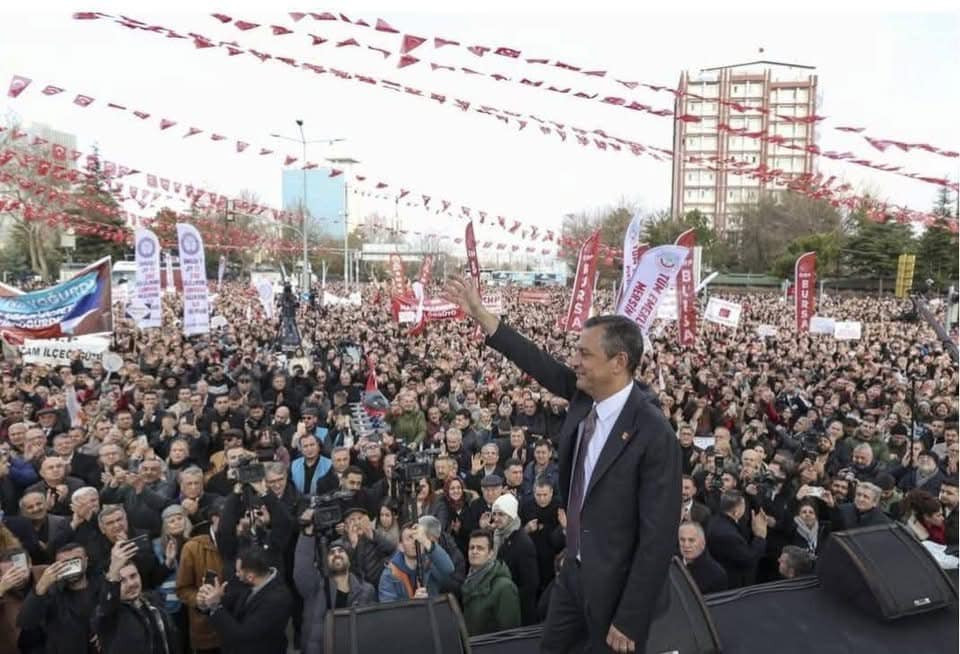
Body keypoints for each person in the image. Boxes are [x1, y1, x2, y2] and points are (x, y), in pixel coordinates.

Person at [445, 278, 681, 653]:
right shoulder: (584, 397)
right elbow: (537, 361)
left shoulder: (653, 434)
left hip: (617, 589)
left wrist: (630, 617)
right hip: (573, 573)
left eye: (585, 355)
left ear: (619, 362)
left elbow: (659, 537)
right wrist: (481, 315)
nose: (575, 361)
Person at [294, 518, 377, 654]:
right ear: (326, 562)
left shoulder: (366, 591)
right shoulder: (315, 587)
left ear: (349, 560)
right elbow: (301, 570)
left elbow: (372, 630)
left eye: (341, 551)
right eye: (331, 553)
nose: (336, 554)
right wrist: (307, 533)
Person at [195, 547, 293, 654]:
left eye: (238, 571)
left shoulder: (278, 600)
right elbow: (227, 602)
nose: (236, 574)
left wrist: (215, 605)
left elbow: (242, 636)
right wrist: (204, 602)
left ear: (251, 576)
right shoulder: (248, 581)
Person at [94, 540, 180, 654]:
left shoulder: (153, 600)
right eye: (122, 580)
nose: (131, 583)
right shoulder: (108, 614)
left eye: (133, 576)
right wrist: (114, 569)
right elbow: (107, 603)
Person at [17, 542, 100, 654]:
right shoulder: (52, 594)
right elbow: (26, 622)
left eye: (76, 561)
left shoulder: (102, 585)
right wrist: (41, 586)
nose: (71, 566)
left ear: (86, 560)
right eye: (65, 563)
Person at [175, 500, 225, 654]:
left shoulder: (244, 540)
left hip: (239, 627)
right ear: (215, 519)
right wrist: (199, 599)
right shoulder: (193, 548)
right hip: (208, 631)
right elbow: (183, 589)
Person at [490, 492, 540, 625]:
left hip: (518, 612)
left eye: (501, 514)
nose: (496, 518)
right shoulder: (497, 536)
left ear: (511, 516)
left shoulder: (523, 543)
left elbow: (531, 584)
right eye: (494, 514)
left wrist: (509, 600)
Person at [461, 529, 521, 636]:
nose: (474, 551)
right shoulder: (469, 581)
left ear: (490, 554)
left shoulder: (505, 588)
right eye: (471, 547)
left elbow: (510, 634)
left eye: (480, 548)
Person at [706, 490, 768, 589]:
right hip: (731, 584)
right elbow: (749, 559)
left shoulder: (715, 520)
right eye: (743, 506)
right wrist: (760, 536)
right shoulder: (729, 535)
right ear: (736, 511)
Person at [378, 523, 454, 602]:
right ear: (401, 546)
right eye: (409, 538)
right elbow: (389, 610)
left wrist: (426, 541)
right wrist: (414, 604)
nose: (415, 541)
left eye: (418, 537)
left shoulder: (430, 564)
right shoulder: (390, 575)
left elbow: (449, 569)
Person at [678, 521, 727, 595]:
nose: (686, 545)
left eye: (691, 540)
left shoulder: (716, 574)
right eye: (682, 540)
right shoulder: (671, 561)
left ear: (703, 543)